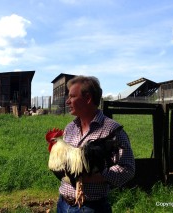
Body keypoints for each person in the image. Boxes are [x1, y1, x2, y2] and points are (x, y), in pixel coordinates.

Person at [56, 75, 135, 213]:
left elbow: (127, 169)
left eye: (72, 97)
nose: (67, 101)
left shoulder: (111, 130)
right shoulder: (70, 128)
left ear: (88, 99)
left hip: (91, 207)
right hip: (63, 203)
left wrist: (93, 177)